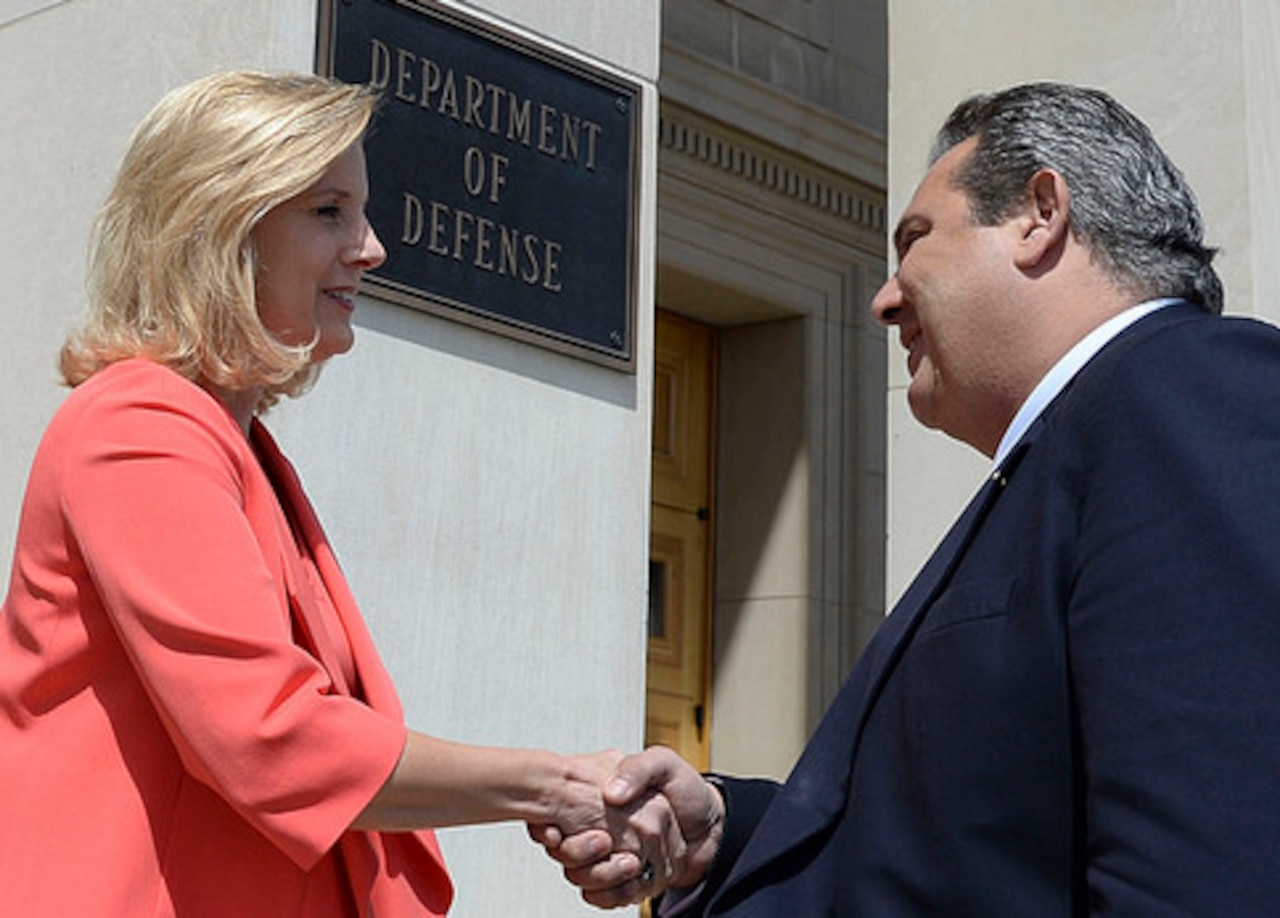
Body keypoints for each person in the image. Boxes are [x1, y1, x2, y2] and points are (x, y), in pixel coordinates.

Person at [540, 82, 1280, 915]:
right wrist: (727, 831)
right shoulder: (1080, 446)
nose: (884, 299)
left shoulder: (1189, 395)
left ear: (1040, 215)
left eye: (916, 242)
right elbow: (970, 843)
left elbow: (1213, 867)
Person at [0, 70, 629, 916]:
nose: (370, 248)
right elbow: (272, 738)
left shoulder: (237, 446)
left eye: (360, 211)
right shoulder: (138, 424)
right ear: (218, 229)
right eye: (328, 211)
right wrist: (555, 785)